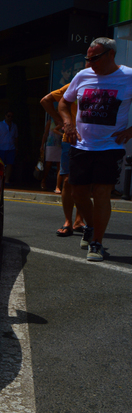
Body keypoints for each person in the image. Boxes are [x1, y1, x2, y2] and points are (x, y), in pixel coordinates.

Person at [59, 37, 132, 261]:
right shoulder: (82, 76)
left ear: (111, 54)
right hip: (82, 145)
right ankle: (91, 227)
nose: (90, 63)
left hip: (110, 145)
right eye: (88, 59)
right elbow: (63, 102)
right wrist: (68, 124)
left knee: (101, 193)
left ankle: (96, 243)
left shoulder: (128, 76)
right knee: (78, 193)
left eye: (95, 58)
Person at [40, 84, 86, 237]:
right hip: (71, 139)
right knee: (67, 179)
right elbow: (45, 100)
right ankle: (68, 221)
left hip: (92, 141)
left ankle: (79, 221)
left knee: (85, 182)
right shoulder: (78, 82)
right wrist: (60, 121)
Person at [0, 111, 18, 184]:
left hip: (11, 147)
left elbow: (16, 137)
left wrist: (16, 147)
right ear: (5, 116)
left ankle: (6, 180)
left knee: (10, 164)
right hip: (0, 148)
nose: (10, 118)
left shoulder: (14, 126)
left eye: (11, 116)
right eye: (8, 116)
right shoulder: (0, 124)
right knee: (0, 164)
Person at [40, 117, 63, 192]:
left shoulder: (63, 122)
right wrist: (42, 145)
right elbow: (46, 133)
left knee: (59, 165)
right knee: (48, 165)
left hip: (60, 145)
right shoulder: (50, 121)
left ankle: (58, 185)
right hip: (50, 144)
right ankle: (43, 181)